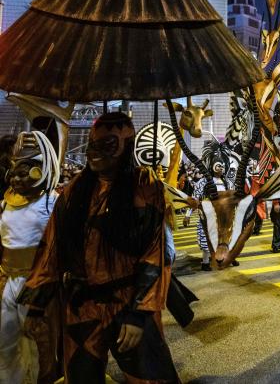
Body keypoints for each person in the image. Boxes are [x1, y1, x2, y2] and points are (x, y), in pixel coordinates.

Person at [19, 112, 179, 383]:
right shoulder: (74, 191)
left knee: (151, 379)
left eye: (107, 146)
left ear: (126, 148)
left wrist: (139, 313)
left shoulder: (145, 189)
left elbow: (157, 254)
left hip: (127, 302)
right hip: (82, 306)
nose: (95, 154)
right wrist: (37, 306)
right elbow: (51, 249)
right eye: (93, 145)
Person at [0, 132, 60, 383]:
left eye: (24, 171)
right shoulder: (4, 204)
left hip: (38, 285)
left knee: (42, 345)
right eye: (14, 171)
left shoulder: (52, 202)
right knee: (4, 343)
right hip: (6, 283)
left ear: (40, 171)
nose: (16, 177)